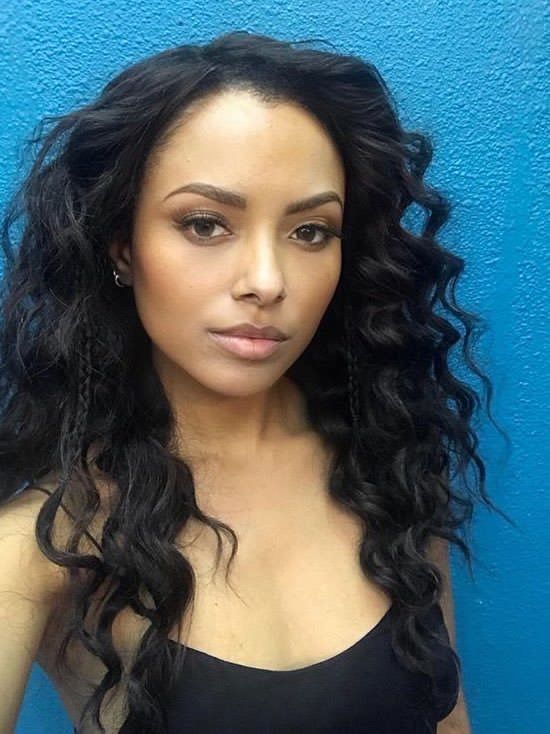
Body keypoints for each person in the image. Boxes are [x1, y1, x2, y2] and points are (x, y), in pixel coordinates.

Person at [0, 29, 512, 734]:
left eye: (310, 232)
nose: (268, 282)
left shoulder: (388, 457)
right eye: (206, 224)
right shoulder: (47, 538)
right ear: (122, 245)